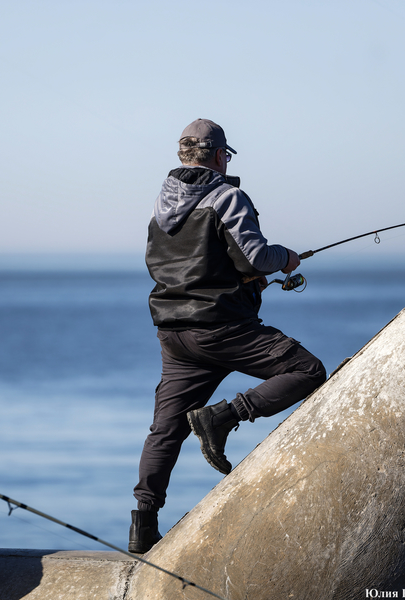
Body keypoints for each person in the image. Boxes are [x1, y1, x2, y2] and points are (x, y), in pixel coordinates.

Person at [130, 119, 327, 553]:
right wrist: (287, 257)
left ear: (184, 155)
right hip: (221, 327)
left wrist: (240, 279)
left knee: (165, 430)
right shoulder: (227, 196)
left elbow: (178, 266)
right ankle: (223, 416)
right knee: (308, 370)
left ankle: (142, 528)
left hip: (173, 333)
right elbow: (256, 255)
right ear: (220, 156)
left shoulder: (158, 206)